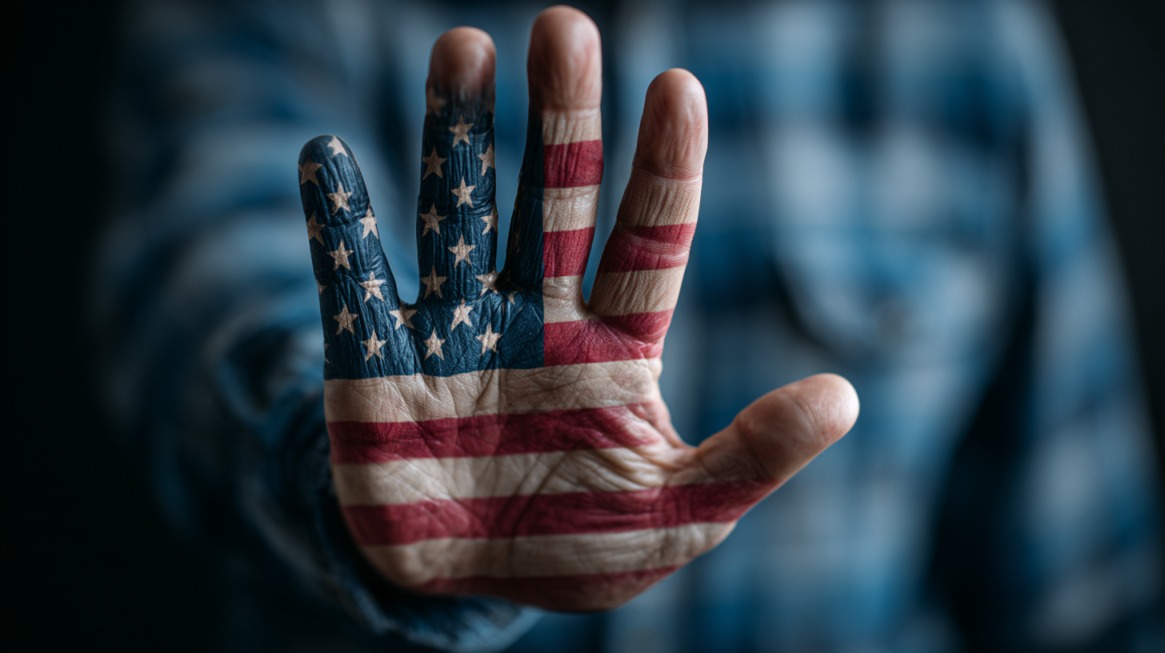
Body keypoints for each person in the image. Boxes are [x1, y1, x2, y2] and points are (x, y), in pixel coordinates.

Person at [90, 1, 1162, 651]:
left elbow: (1091, 583)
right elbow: (199, 273)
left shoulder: (964, 35)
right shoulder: (274, 12)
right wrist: (330, 454)